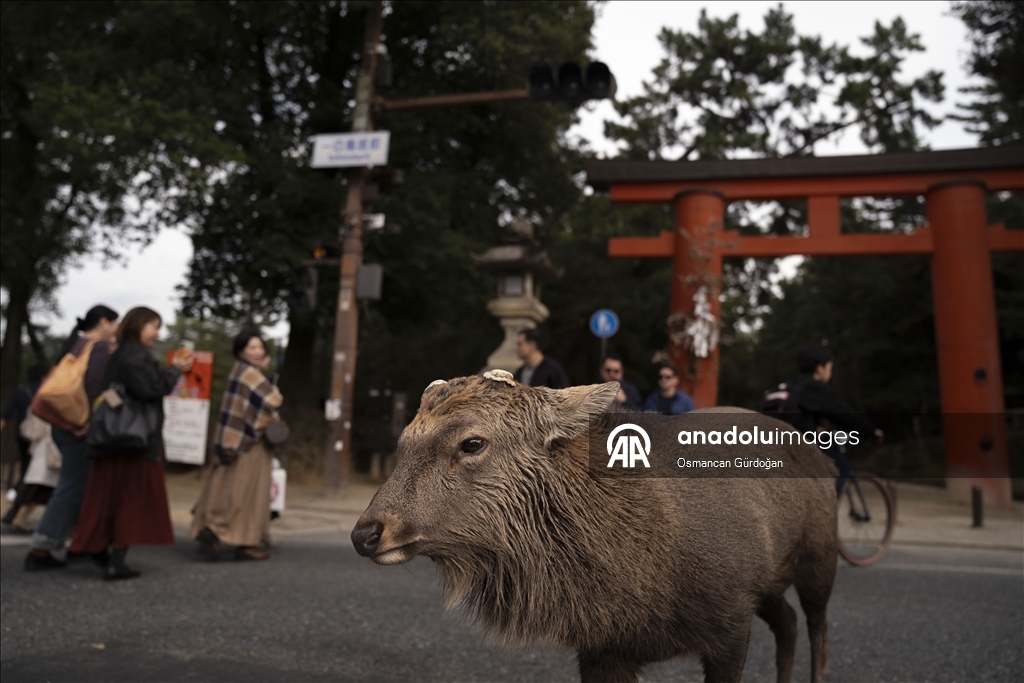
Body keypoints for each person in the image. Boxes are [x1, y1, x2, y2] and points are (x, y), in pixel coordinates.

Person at [67, 306, 191, 580]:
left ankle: (95, 547)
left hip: (113, 437)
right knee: (131, 497)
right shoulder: (136, 355)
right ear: (137, 325)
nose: (157, 333)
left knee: (106, 496)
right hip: (134, 439)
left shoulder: (120, 352)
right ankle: (117, 560)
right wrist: (174, 370)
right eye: (153, 326)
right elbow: (151, 389)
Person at [25, 305, 119, 571]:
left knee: (73, 485)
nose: (115, 329)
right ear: (103, 322)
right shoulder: (98, 348)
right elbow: (97, 389)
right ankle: (41, 548)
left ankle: (69, 543)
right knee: (73, 487)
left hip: (62, 425)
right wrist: (95, 418)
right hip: (79, 428)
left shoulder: (76, 344)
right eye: (114, 323)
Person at [190, 329, 283, 561]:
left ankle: (210, 529)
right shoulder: (251, 374)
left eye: (260, 347)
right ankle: (240, 540)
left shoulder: (239, 370)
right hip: (249, 444)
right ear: (241, 350)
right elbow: (273, 400)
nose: (258, 351)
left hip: (230, 439)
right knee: (246, 493)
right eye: (252, 347)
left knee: (223, 486)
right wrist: (274, 390)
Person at [783, 346, 883, 495]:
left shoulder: (789, 386)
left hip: (777, 441)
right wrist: (871, 430)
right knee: (841, 467)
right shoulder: (814, 388)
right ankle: (827, 512)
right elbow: (843, 414)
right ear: (819, 368)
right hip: (798, 444)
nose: (830, 373)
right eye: (829, 369)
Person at [2, 364, 47, 524]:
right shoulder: (45, 392)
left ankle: (14, 508)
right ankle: (15, 509)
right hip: (40, 439)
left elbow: (6, 415)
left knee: (25, 471)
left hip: (22, 436)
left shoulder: (21, 392)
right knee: (30, 475)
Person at [4, 411, 61, 533]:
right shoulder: (48, 401)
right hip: (47, 449)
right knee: (36, 488)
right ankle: (19, 519)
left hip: (47, 449)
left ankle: (19, 518)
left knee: (40, 489)